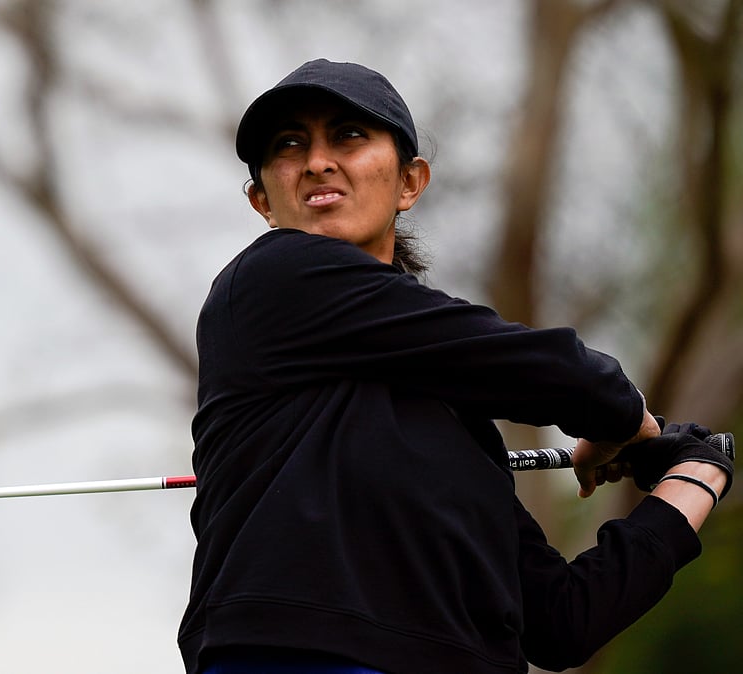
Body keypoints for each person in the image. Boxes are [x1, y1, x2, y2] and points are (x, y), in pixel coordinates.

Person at [178, 59, 733, 674]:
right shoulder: (273, 278)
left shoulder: (454, 418)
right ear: (262, 200)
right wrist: (631, 425)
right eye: (289, 145)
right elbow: (559, 374)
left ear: (410, 182)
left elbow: (561, 622)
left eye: (349, 136)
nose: (316, 162)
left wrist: (694, 478)